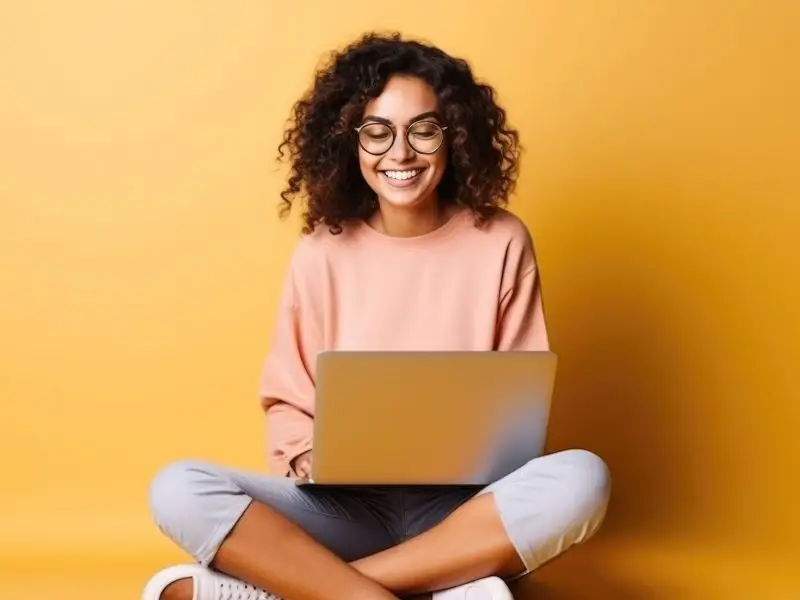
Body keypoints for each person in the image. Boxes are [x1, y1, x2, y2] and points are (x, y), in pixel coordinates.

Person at [143, 32, 611, 600]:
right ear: (350, 141)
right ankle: (435, 588)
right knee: (178, 489)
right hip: (342, 510)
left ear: (453, 137)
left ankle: (315, 590)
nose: (401, 153)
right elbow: (289, 399)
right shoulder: (323, 250)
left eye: (423, 129)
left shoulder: (501, 241)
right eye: (378, 131)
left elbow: (520, 404)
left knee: (583, 478)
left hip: (460, 514)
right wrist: (311, 456)